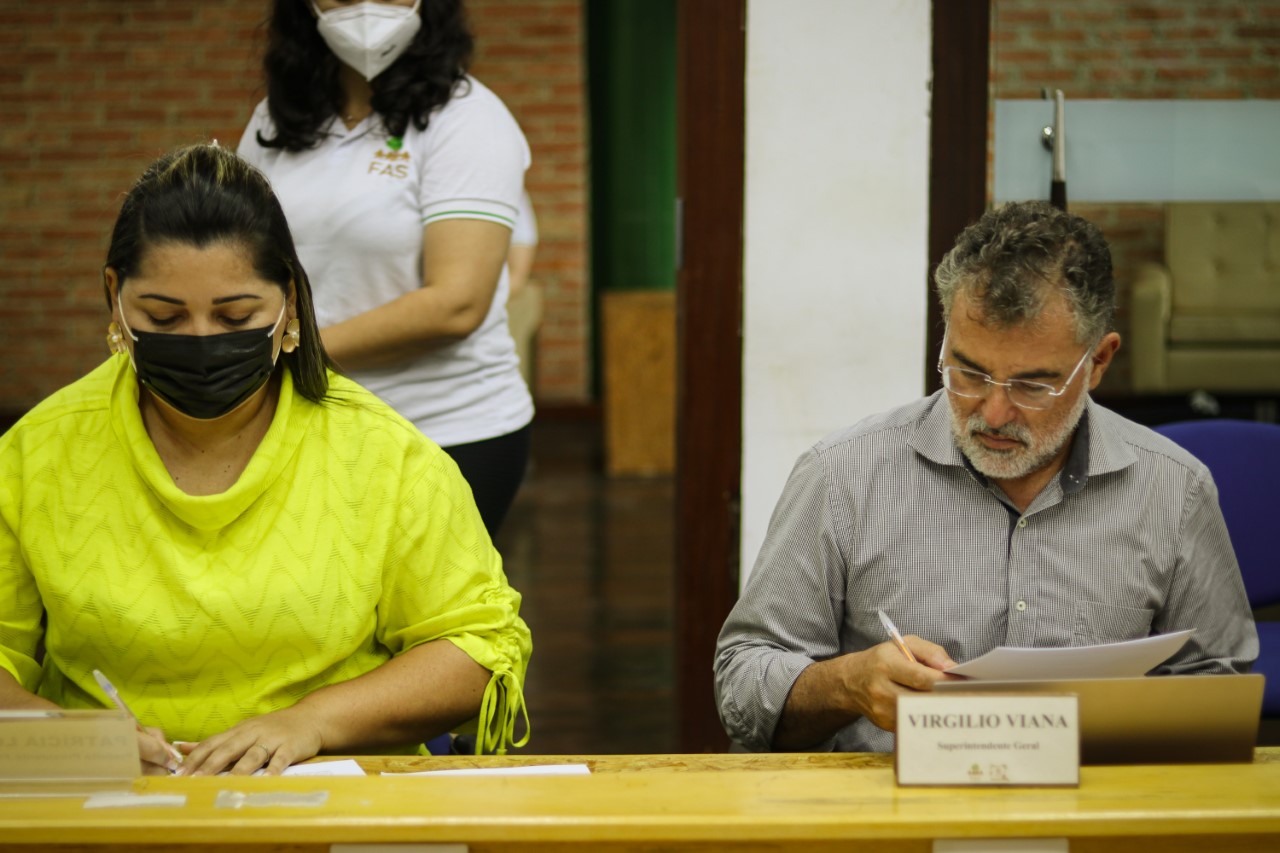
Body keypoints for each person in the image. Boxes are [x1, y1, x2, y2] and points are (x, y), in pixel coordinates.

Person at [0, 143, 532, 776]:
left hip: (327, 791)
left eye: (236, 315)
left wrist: (313, 721)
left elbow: (478, 646)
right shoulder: (40, 453)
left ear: (289, 307)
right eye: (163, 316)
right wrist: (73, 739)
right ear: (116, 297)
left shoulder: (383, 456)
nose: (200, 340)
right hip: (108, 796)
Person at [714, 201, 1258, 753]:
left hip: (1089, 813)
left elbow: (1220, 687)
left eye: (1032, 385)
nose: (993, 414)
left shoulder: (1175, 489)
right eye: (968, 372)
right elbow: (741, 679)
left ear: (1098, 362)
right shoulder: (845, 475)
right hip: (889, 816)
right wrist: (844, 684)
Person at [237, 0, 533, 536]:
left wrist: (273, 355)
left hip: (442, 434)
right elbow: (242, 257)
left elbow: (456, 305)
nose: (366, 4)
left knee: (416, 617)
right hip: (304, 424)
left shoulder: (468, 118)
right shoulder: (275, 120)